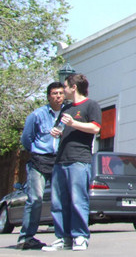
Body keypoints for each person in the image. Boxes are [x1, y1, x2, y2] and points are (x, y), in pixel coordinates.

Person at [43, 74, 101, 252]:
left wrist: (75, 123)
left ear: (73, 87)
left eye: (66, 87)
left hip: (79, 160)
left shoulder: (91, 105)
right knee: (58, 202)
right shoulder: (66, 108)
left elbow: (95, 128)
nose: (63, 91)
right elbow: (61, 127)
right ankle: (63, 238)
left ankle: (80, 237)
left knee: (78, 200)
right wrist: (57, 131)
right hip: (61, 160)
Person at [16, 82, 65, 250]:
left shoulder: (68, 114)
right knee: (35, 199)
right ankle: (26, 237)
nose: (58, 96)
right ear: (48, 96)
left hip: (59, 160)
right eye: (54, 93)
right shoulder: (37, 115)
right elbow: (26, 139)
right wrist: (37, 151)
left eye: (60, 92)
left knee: (60, 199)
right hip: (39, 160)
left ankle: (63, 237)